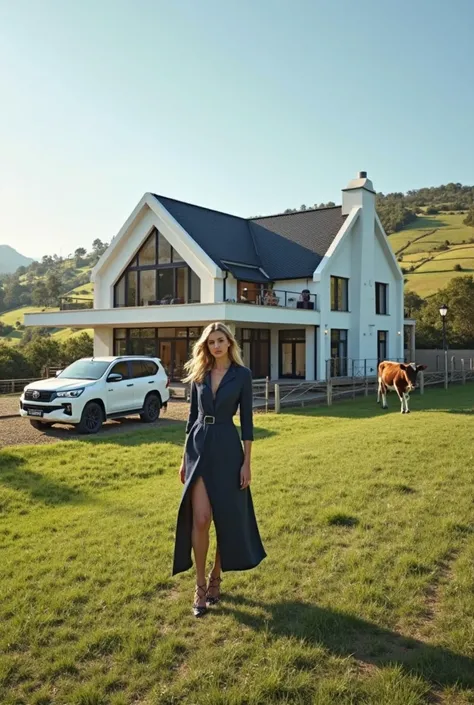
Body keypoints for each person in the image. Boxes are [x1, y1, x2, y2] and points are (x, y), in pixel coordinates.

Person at [172, 322, 267, 617]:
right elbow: (190, 418)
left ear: (229, 343)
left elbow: (248, 422)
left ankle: (216, 576)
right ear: (206, 345)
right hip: (199, 448)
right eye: (211, 341)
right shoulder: (199, 375)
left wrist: (247, 463)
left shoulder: (242, 375)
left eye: (221, 340)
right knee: (200, 519)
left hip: (228, 448)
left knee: (225, 519)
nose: (216, 346)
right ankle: (200, 587)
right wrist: (183, 458)